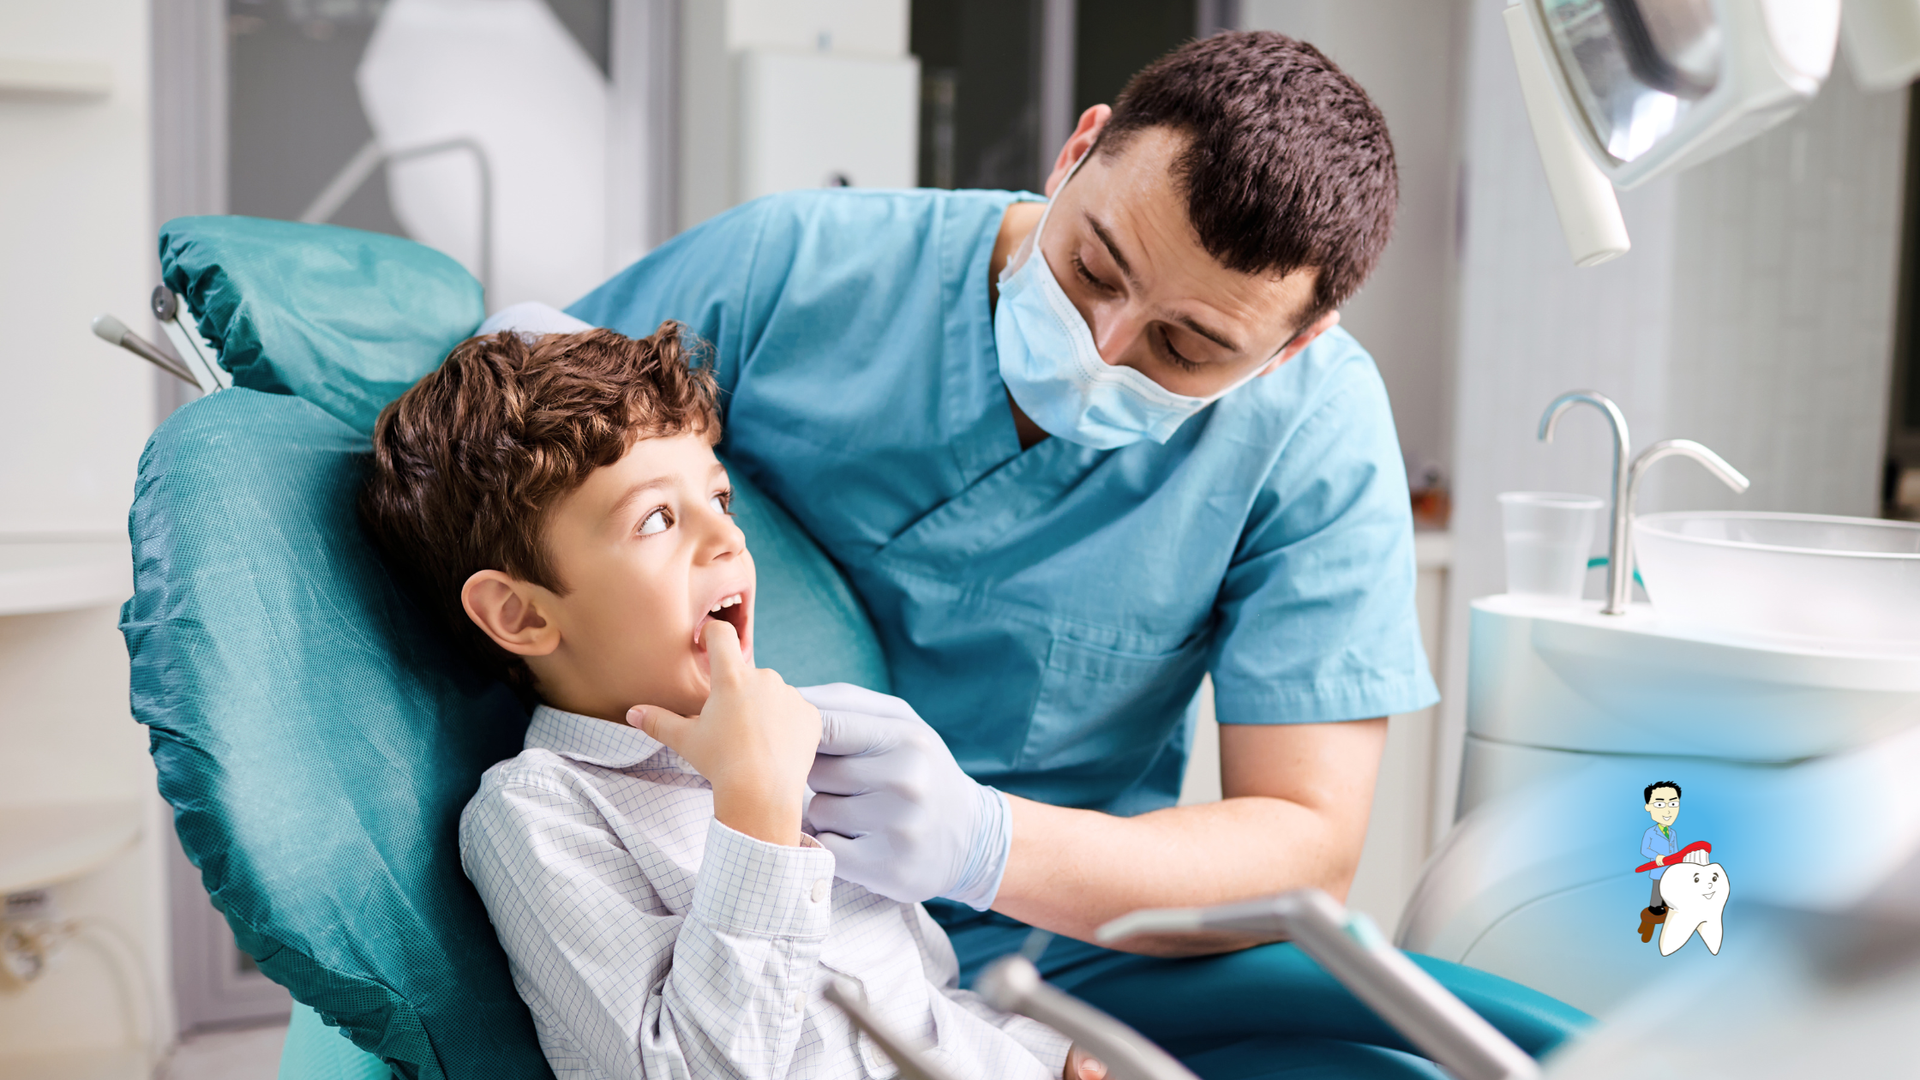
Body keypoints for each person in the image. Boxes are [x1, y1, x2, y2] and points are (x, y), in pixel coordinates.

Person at [568, 31, 1585, 1075]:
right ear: (1076, 151)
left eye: (1185, 346)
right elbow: (527, 429)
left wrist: (985, 841)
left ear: (1292, 347)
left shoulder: (1310, 428)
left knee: (1484, 1051)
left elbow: (1305, 843)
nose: (1102, 345)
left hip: (1055, 940)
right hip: (736, 889)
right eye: (1093, 265)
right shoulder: (793, 269)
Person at [357, 323, 1105, 1079]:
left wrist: (1041, 1054)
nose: (726, 537)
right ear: (523, 615)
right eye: (656, 518)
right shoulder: (539, 812)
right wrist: (757, 813)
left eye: (719, 496)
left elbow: (919, 1003)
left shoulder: (800, 748)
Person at [1639, 781, 1684, 940]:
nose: (1667, 810)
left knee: (1669, 888)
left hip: (1671, 869)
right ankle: (1655, 907)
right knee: (1657, 889)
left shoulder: (1672, 833)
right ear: (1648, 807)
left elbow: (1675, 849)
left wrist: (1679, 861)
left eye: (1673, 803)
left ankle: (1667, 904)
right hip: (1658, 869)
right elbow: (1644, 849)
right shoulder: (1650, 833)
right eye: (1659, 804)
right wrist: (1656, 856)